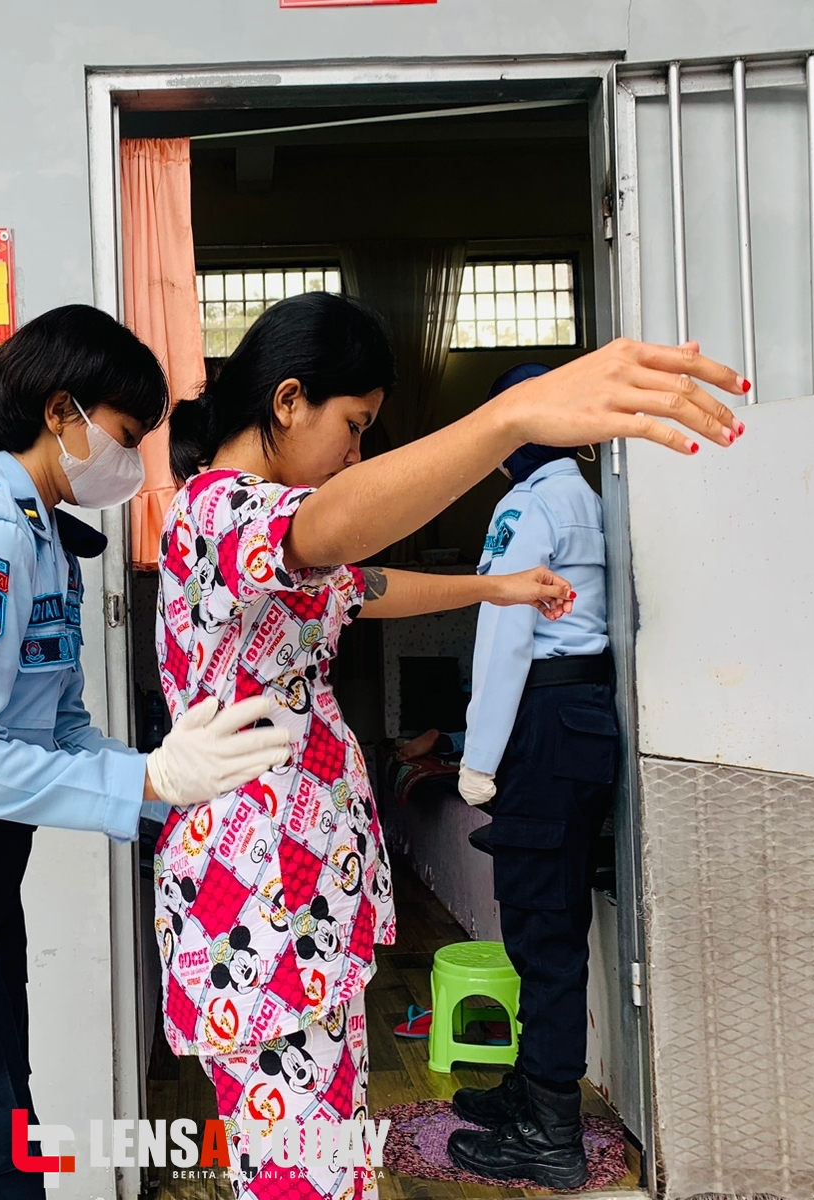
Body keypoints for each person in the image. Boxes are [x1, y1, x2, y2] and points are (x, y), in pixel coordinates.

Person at [152, 294, 747, 1200]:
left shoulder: (267, 537)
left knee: (326, 1149)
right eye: (353, 427)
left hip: (298, 903)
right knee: (296, 1172)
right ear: (286, 401)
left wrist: (493, 587)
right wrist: (508, 415)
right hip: (256, 908)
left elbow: (360, 582)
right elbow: (336, 528)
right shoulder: (225, 512)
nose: (354, 455)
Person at [0, 305, 293, 1200]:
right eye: (124, 432)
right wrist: (147, 776)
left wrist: (176, 790)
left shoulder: (49, 542)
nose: (136, 459)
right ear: (62, 412)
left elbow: (59, 729)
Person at [444, 362, 644, 1188]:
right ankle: (536, 1089)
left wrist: (477, 758)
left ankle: (550, 1135)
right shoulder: (594, 499)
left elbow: (505, 632)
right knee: (549, 915)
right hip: (584, 719)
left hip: (542, 720)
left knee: (539, 928)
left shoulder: (526, 505)